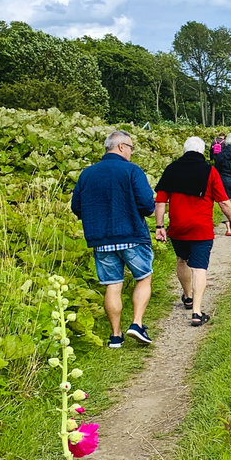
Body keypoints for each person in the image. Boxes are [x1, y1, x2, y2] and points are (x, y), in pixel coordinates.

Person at [71, 130, 155, 347]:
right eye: (131, 148)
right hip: (132, 235)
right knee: (143, 277)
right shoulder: (131, 170)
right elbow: (147, 204)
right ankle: (136, 324)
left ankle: (115, 336)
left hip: (100, 238)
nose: (131, 153)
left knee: (113, 284)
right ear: (121, 147)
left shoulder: (87, 174)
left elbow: (76, 207)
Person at [154, 136, 231, 327]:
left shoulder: (172, 169)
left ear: (185, 150)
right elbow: (224, 202)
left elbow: (160, 201)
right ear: (202, 151)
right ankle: (197, 312)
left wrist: (159, 227)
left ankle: (187, 296)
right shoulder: (210, 171)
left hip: (178, 227)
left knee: (182, 260)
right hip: (201, 228)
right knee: (199, 268)